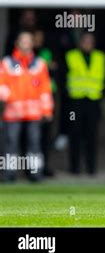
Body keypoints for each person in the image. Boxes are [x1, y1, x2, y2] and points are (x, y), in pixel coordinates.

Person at [0, 31, 54, 182]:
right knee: (10, 143)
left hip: (34, 112)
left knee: (35, 143)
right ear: (17, 43)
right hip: (13, 111)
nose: (26, 43)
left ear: (32, 44)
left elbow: (45, 89)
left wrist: (47, 110)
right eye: (23, 41)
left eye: (29, 41)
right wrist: (9, 97)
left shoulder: (39, 64)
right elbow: (1, 84)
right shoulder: (7, 63)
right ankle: (9, 174)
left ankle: (35, 173)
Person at [65, 32, 105, 175]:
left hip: (93, 101)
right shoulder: (71, 56)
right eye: (85, 41)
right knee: (75, 136)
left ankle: (91, 168)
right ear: (80, 42)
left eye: (91, 41)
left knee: (91, 136)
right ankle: (74, 168)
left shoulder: (100, 57)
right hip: (76, 101)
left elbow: (104, 79)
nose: (88, 44)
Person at [33, 29, 58, 177]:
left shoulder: (46, 53)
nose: (37, 39)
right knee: (29, 137)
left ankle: (43, 166)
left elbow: (54, 71)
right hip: (28, 100)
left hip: (46, 97)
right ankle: (31, 169)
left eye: (40, 36)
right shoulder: (25, 57)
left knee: (44, 136)